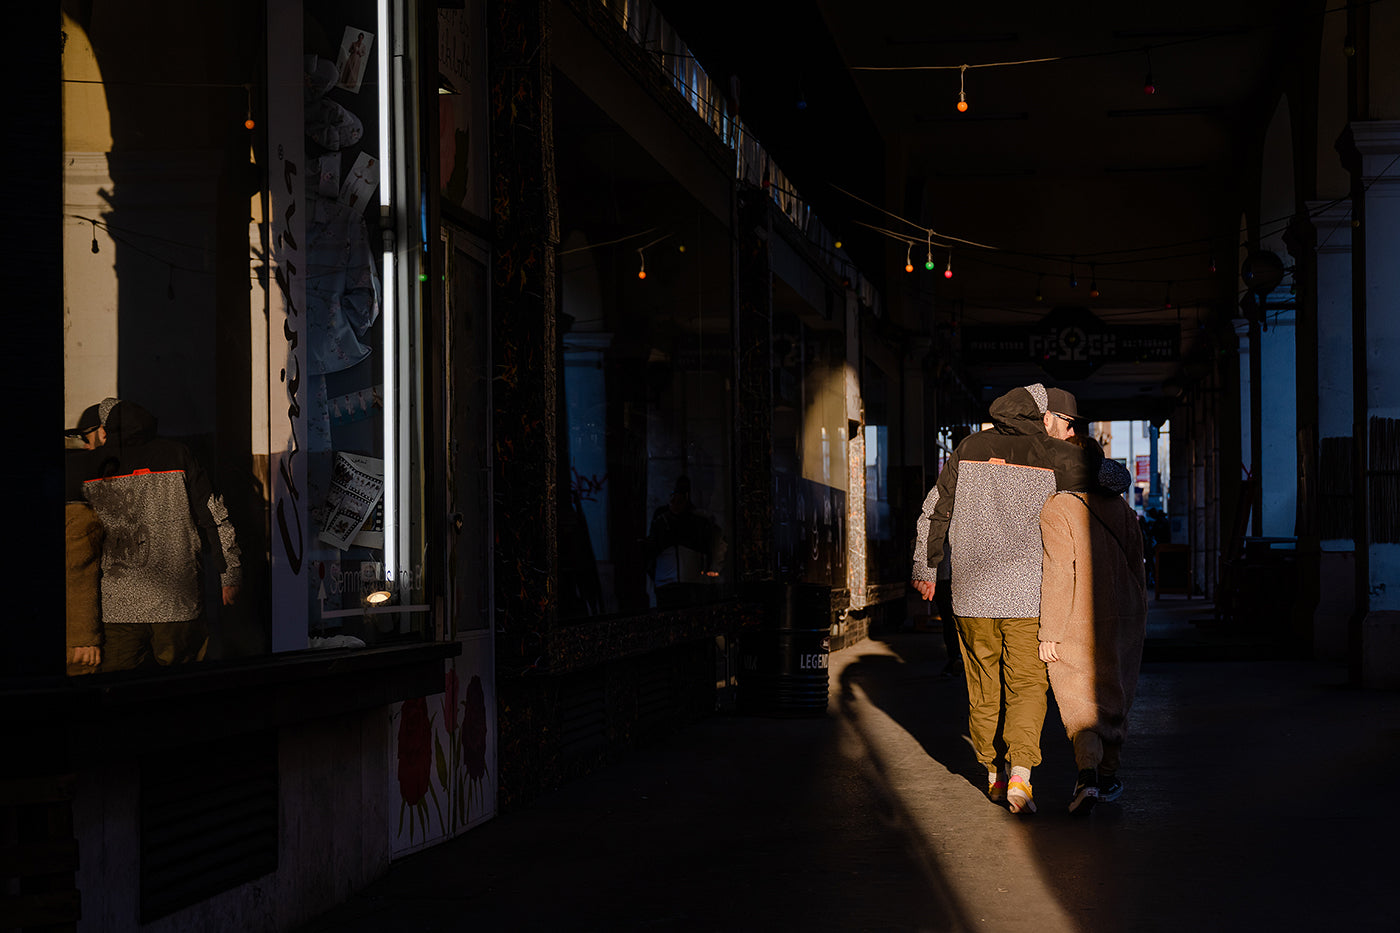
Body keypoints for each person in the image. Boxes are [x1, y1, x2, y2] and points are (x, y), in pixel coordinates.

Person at [911, 384, 1093, 814]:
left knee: (982, 684)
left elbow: (935, 508)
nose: (1068, 432)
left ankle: (991, 774)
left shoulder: (969, 446)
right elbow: (1111, 478)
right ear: (1045, 417)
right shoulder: (1054, 454)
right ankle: (1021, 776)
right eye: (1065, 423)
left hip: (971, 595)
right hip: (1030, 596)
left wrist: (927, 565)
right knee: (1028, 684)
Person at [78, 398, 242, 671]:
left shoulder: (91, 468)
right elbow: (215, 516)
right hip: (177, 603)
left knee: (117, 691)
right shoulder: (178, 454)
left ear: (104, 430)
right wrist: (230, 572)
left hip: (118, 608)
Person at [1038, 453, 1148, 815]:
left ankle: (1088, 776)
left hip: (1077, 618)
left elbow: (1058, 573)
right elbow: (1137, 565)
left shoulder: (1059, 507)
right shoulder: (1123, 511)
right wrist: (1139, 612)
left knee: (1080, 704)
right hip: (1125, 615)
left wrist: (1049, 632)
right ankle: (1108, 775)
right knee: (1114, 694)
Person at [646, 476, 725, 609]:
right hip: (670, 582)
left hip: (686, 582)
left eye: (680, 500)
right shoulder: (662, 521)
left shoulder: (697, 520)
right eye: (674, 500)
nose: (676, 504)